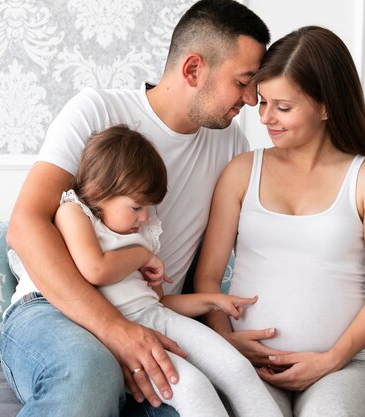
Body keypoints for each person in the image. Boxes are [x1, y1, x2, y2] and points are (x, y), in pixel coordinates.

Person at [0, 0, 270, 415]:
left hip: (151, 316)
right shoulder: (97, 111)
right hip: (55, 308)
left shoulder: (231, 144)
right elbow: (25, 225)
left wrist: (218, 339)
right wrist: (115, 332)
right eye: (243, 82)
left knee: (208, 399)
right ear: (193, 69)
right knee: (88, 372)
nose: (252, 100)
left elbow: (211, 266)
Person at [194, 26, 365, 417]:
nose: (266, 118)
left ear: (326, 106)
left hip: (344, 366)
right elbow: (208, 279)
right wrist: (228, 341)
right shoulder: (242, 171)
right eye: (262, 103)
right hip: (250, 363)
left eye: (283, 107)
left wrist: (330, 360)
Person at [54, 124, 283, 417]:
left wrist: (213, 301)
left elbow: (160, 302)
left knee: (236, 368)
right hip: (121, 332)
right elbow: (95, 270)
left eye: (149, 207)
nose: (146, 216)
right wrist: (140, 255)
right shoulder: (75, 213)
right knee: (194, 389)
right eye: (137, 207)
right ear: (98, 192)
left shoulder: (144, 229)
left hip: (159, 317)